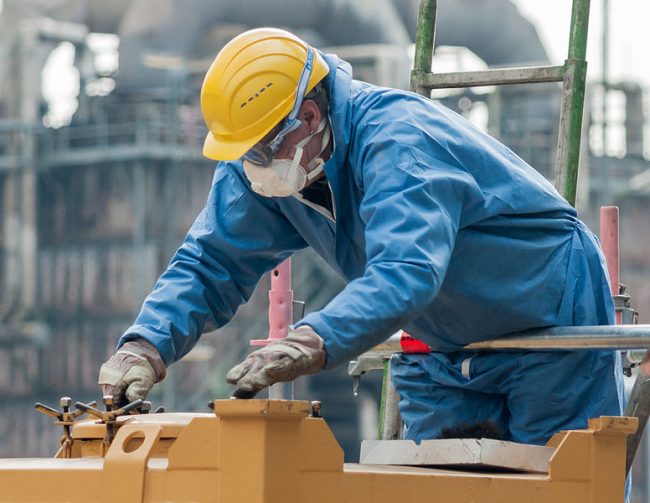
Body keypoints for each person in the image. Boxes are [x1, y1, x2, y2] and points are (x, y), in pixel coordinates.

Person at [99, 27, 624, 445]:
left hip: (548, 318)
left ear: (307, 115)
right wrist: (145, 346)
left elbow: (405, 272)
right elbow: (210, 262)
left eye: (258, 151)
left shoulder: (399, 141)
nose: (248, 168)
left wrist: (313, 339)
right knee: (442, 485)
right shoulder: (266, 166)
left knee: (566, 482)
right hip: (442, 343)